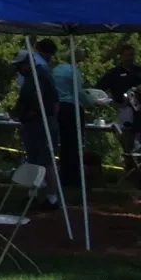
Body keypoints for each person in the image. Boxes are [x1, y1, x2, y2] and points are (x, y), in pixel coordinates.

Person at [14, 46, 61, 209]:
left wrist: (26, 115)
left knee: (45, 160)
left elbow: (43, 103)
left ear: (27, 64)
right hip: (35, 123)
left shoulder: (40, 77)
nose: (18, 70)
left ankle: (52, 197)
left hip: (42, 123)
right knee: (33, 159)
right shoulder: (31, 78)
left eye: (19, 66)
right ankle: (32, 194)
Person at [49, 46, 85, 198]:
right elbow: (78, 92)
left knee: (59, 142)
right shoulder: (73, 71)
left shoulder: (56, 69)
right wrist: (91, 101)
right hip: (71, 107)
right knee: (73, 143)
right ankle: (72, 177)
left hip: (58, 107)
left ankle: (60, 174)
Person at [96, 44, 141, 167]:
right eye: (127, 55)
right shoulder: (114, 73)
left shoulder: (139, 71)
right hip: (124, 111)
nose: (130, 58)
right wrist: (111, 102)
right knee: (127, 140)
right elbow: (97, 91)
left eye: (132, 54)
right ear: (121, 57)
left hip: (139, 112)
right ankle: (131, 169)